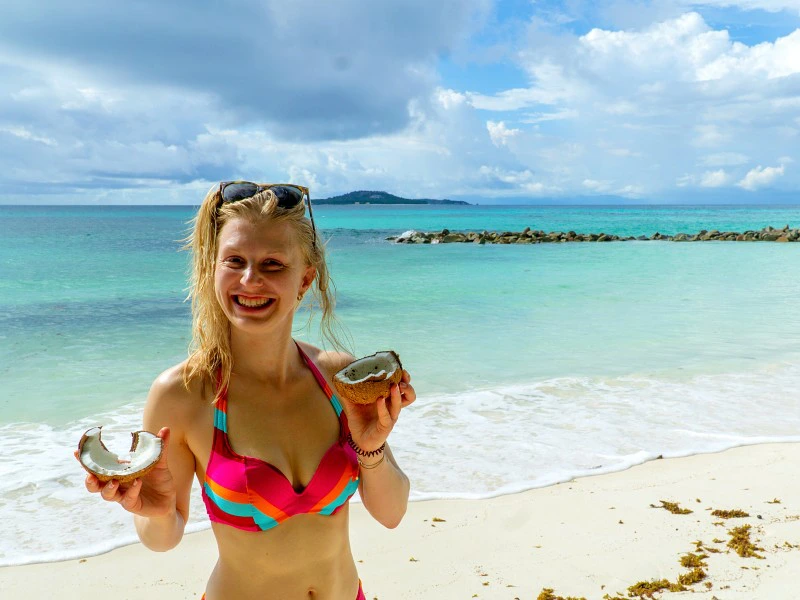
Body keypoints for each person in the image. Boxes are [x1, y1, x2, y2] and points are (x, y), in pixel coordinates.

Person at [77, 182, 416, 600]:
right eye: (234, 261)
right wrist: (158, 510)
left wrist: (371, 449)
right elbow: (162, 538)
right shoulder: (183, 395)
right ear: (213, 268)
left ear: (305, 280)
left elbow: (392, 512)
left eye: (273, 264)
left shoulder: (338, 378)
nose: (250, 280)